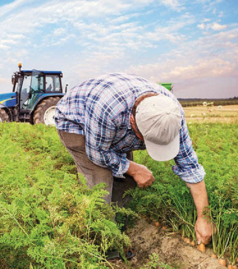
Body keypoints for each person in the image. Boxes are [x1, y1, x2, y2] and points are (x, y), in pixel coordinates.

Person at [54, 72, 212, 245]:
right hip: (77, 122)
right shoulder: (109, 111)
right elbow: (97, 154)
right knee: (100, 185)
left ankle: (119, 227)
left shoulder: (171, 114)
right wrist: (135, 169)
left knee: (126, 181)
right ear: (132, 122)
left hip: (111, 125)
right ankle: (103, 243)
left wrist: (204, 217)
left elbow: (190, 166)